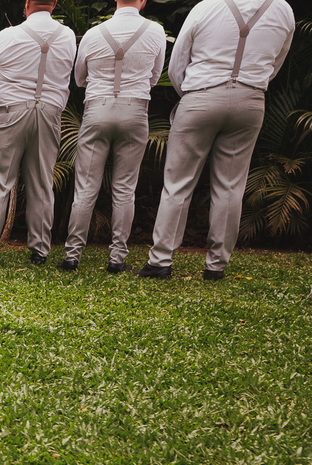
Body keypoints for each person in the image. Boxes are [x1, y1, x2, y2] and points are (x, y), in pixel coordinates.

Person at [138, 0, 294, 280]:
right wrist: (249, 85)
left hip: (201, 95)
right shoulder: (283, 10)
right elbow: (275, 65)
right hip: (251, 100)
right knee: (231, 186)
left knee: (178, 182)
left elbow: (177, 64)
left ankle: (160, 261)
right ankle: (216, 266)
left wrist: (191, 95)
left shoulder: (207, 6)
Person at [0, 0, 75, 264]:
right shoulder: (67, 36)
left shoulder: (8, 35)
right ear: (54, 4)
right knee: (42, 183)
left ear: (26, 4)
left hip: (10, 112)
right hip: (49, 113)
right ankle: (40, 250)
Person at [60, 0, 164, 273]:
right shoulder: (155, 32)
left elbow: (79, 78)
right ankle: (117, 258)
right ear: (142, 0)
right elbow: (154, 77)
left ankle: (72, 255)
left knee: (85, 187)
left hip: (97, 109)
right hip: (135, 109)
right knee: (125, 188)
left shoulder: (94, 33)